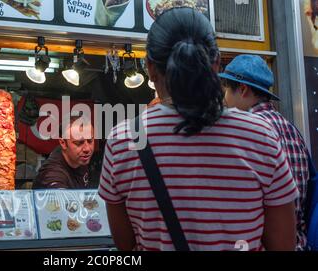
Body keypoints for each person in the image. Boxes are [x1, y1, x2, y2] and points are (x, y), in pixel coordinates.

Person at [98, 7, 299, 251]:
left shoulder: (123, 140)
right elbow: (283, 245)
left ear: (150, 67)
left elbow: (126, 245)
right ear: (216, 63)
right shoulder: (261, 135)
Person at [220, 54, 312, 250]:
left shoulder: (247, 133)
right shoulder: (292, 129)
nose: (224, 98)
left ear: (242, 89)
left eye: (227, 89)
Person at [33, 115, 95, 189]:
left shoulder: (79, 157)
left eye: (90, 141)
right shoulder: (53, 174)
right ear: (63, 143)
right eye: (79, 143)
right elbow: (60, 198)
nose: (87, 149)